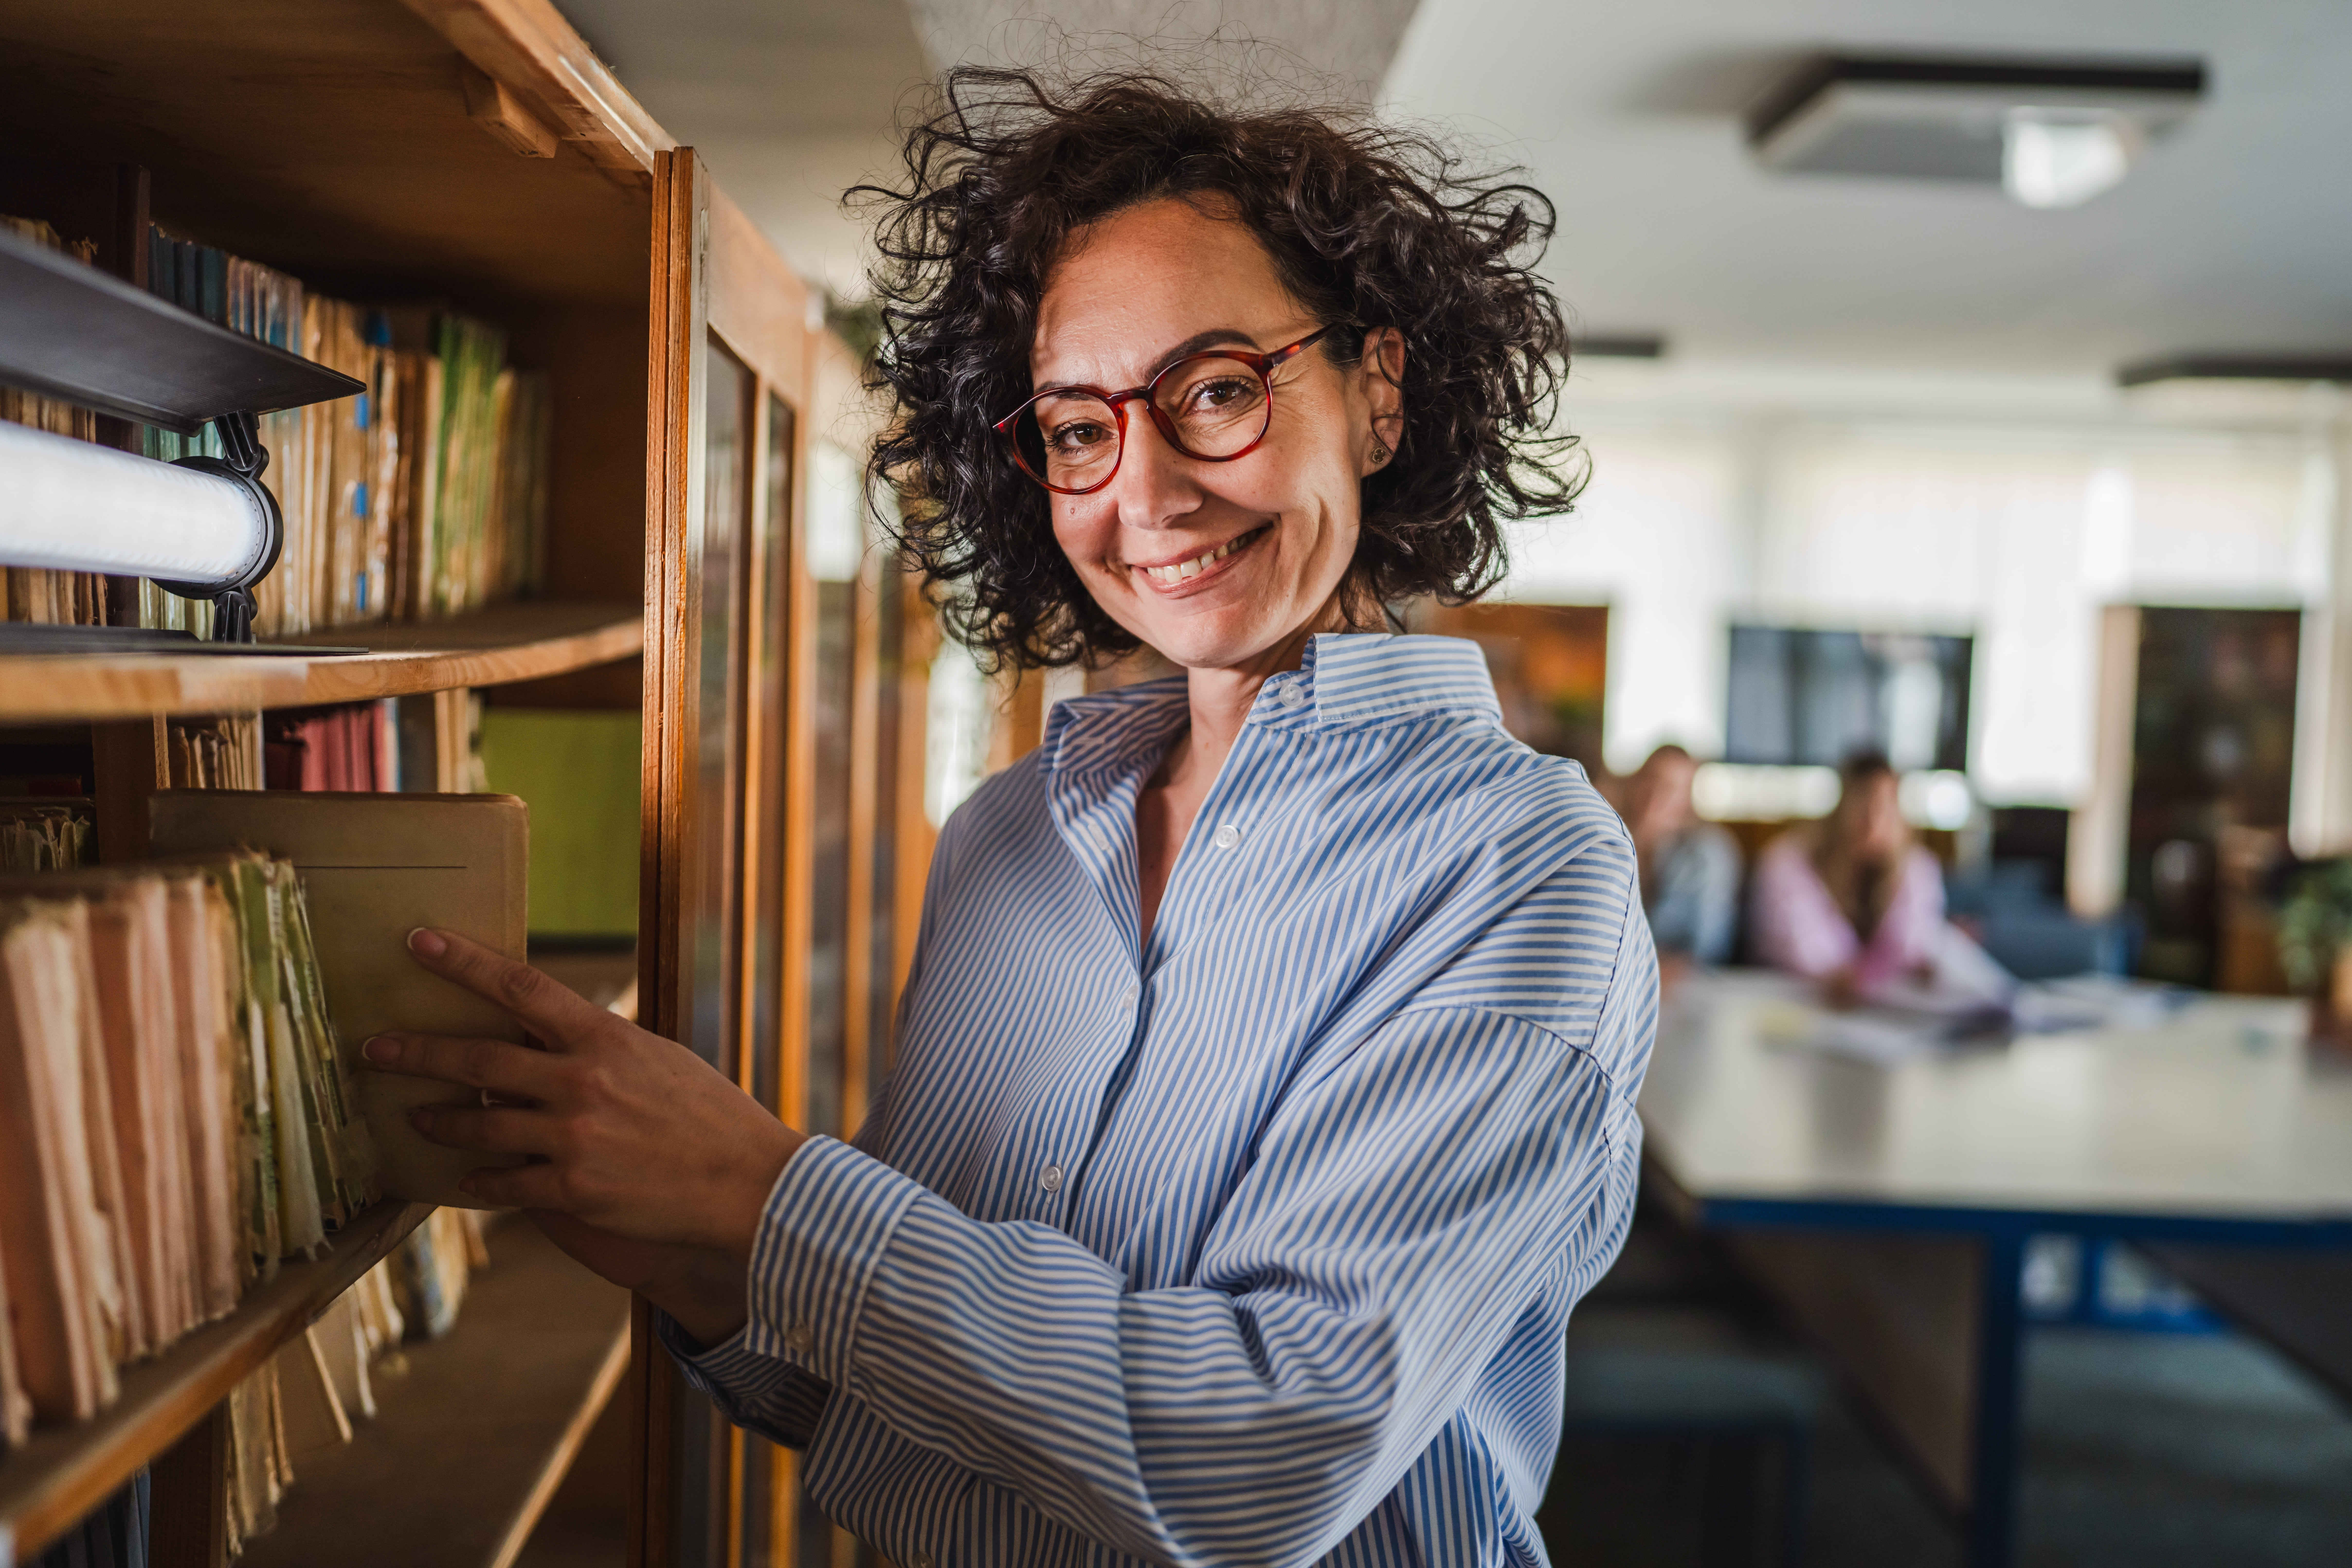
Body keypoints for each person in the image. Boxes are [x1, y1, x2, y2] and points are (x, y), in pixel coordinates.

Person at [361, 68, 1658, 1568]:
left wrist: (761, 1192)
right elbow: (932, 1406)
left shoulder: (1523, 869)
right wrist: (700, 1259)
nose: (1147, 491)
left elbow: (1262, 1462)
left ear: (1378, 391)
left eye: (1218, 387)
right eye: (1076, 427)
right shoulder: (1004, 837)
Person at [1750, 750, 2003, 1008]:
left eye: (1885, 805)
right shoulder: (1788, 860)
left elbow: (1912, 946)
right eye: (1861, 802)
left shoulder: (1914, 866)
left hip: (1888, 1015)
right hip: (1793, 1006)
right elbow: (1806, 955)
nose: (1872, 819)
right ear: (1837, 807)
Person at [1622, 743, 1740, 969]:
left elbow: (1708, 947)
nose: (1655, 795)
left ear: (1687, 800)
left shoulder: (1708, 854)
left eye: (1670, 788)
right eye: (1650, 780)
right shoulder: (1612, 841)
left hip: (1687, 985)